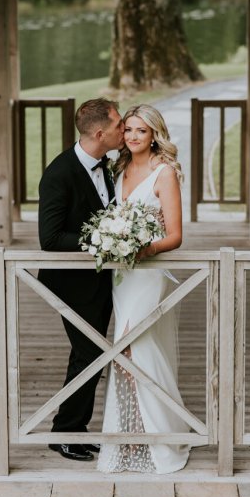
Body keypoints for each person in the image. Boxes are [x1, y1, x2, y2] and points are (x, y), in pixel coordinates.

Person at [97, 104, 190, 474]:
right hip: (123, 275)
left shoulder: (163, 172)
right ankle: (131, 433)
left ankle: (161, 437)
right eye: (130, 130)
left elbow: (176, 236)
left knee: (137, 344)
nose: (134, 136)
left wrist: (144, 248)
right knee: (125, 349)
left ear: (155, 135)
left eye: (142, 131)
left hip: (149, 272)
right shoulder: (119, 169)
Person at [38, 97, 124, 462]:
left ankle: (73, 430)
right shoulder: (60, 173)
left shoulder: (106, 164)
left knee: (87, 355)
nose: (124, 129)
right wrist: (105, 239)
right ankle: (64, 432)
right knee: (91, 354)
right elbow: (50, 239)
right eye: (120, 125)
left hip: (100, 281)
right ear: (101, 132)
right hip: (72, 284)